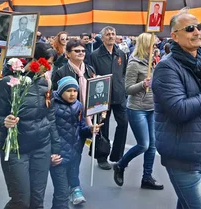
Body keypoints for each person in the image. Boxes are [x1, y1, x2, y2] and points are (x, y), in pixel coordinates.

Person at [153, 11, 201, 208]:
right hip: (182, 156)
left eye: (199, 27)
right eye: (190, 29)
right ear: (174, 36)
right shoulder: (166, 68)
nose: (197, 32)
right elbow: (179, 110)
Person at [0, 42, 60, 209]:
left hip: (42, 148)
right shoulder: (8, 83)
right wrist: (4, 122)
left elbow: (50, 119)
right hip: (15, 150)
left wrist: (55, 149)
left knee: (37, 202)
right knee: (21, 201)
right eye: (48, 63)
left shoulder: (46, 84)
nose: (50, 68)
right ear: (36, 60)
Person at [113, 33, 164, 190]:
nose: (154, 47)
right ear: (145, 45)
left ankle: (147, 177)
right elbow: (127, 89)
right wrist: (143, 84)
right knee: (144, 144)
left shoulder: (153, 62)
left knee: (153, 145)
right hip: (137, 109)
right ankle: (120, 165)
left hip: (152, 108)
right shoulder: (134, 64)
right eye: (152, 45)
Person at [51, 77, 99, 209]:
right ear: (61, 91)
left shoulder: (78, 106)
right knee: (61, 193)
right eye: (68, 90)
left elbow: (81, 129)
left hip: (75, 154)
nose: (72, 94)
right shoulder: (52, 106)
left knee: (70, 182)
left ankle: (74, 191)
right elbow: (47, 131)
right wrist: (50, 153)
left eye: (75, 90)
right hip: (58, 157)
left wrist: (90, 130)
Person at [89, 26, 128, 170]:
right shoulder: (95, 55)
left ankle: (117, 155)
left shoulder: (121, 54)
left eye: (113, 33)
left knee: (123, 123)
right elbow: (92, 75)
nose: (111, 36)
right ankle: (102, 156)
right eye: (108, 34)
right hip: (102, 96)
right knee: (103, 127)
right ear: (103, 37)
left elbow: (123, 72)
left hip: (119, 95)